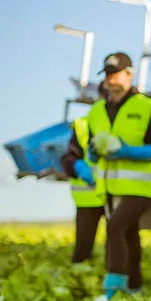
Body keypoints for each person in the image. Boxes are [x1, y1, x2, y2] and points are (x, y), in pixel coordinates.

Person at [87, 52, 151, 299]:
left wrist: (128, 152)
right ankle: (135, 287)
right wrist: (93, 153)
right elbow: (90, 145)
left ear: (130, 74)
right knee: (127, 232)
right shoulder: (96, 111)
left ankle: (113, 289)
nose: (111, 79)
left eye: (116, 73)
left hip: (144, 184)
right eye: (107, 74)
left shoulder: (147, 107)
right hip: (113, 185)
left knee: (115, 226)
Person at [60, 82, 108, 264]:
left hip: (115, 192)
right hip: (89, 196)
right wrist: (78, 167)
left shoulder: (126, 124)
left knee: (118, 243)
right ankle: (80, 277)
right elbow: (67, 159)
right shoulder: (83, 125)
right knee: (83, 245)